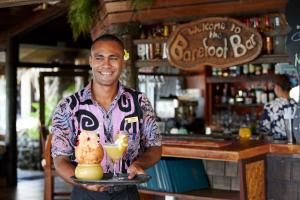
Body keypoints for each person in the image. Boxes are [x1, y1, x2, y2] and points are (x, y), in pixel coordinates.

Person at [50, 34, 162, 200]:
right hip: (84, 194)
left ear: (122, 61)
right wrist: (84, 182)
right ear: (91, 61)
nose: (106, 64)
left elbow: (155, 147)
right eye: (99, 57)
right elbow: (60, 159)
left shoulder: (139, 102)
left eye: (113, 58)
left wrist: (139, 164)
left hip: (127, 193)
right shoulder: (69, 106)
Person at [259, 74, 297, 140]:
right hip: (296, 145)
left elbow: (264, 130)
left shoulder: (270, 106)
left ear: (277, 87)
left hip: (276, 146)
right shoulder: (297, 105)